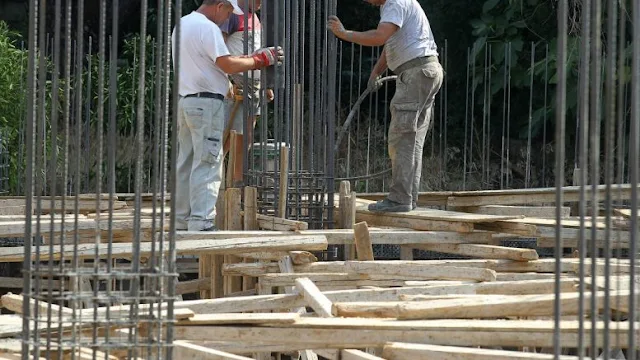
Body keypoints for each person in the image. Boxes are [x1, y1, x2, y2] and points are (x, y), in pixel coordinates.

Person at [171, 0, 283, 231]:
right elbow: (227, 64)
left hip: (186, 101)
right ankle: (201, 222)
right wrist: (260, 59)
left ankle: (181, 220)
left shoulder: (182, 24)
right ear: (220, 5)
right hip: (207, 104)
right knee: (209, 162)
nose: (229, 16)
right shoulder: (208, 28)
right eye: (229, 11)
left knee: (187, 161)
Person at [328, 0, 443, 212]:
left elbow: (380, 37)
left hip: (416, 73)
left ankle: (400, 199)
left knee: (401, 138)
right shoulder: (392, 6)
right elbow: (390, 42)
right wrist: (376, 71)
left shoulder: (395, 2)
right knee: (412, 139)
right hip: (425, 71)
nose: (367, 1)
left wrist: (345, 34)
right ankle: (407, 198)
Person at [220, 0, 274, 187]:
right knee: (227, 137)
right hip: (237, 84)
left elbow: (257, 52)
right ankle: (214, 180)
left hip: (254, 85)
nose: (262, 3)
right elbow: (218, 50)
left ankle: (237, 183)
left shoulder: (255, 16)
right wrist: (226, 81)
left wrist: (265, 84)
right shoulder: (232, 15)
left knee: (246, 137)